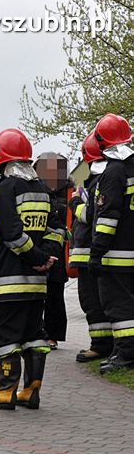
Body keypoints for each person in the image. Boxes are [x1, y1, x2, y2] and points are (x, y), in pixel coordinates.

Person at [0, 128, 58, 410]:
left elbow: (11, 234)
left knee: (5, 337)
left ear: (0, 159)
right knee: (34, 335)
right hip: (37, 283)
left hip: (7, 282)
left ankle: (4, 390)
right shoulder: (44, 190)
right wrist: (46, 258)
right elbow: (56, 231)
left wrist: (34, 257)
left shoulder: (5, 190)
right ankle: (31, 391)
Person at [90, 113, 134, 374]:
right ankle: (125, 351)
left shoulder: (113, 172)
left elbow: (108, 218)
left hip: (116, 256)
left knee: (120, 306)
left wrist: (96, 253)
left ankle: (126, 355)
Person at [69, 132, 114, 363]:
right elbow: (74, 178)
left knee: (93, 301)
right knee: (98, 301)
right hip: (93, 251)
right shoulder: (97, 175)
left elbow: (89, 215)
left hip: (90, 251)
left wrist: (75, 203)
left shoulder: (100, 180)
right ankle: (105, 344)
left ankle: (101, 345)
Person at [34, 154, 70, 349]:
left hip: (58, 252)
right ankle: (37, 333)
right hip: (38, 250)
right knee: (37, 296)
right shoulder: (35, 190)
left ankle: (52, 336)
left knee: (55, 296)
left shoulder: (70, 193)